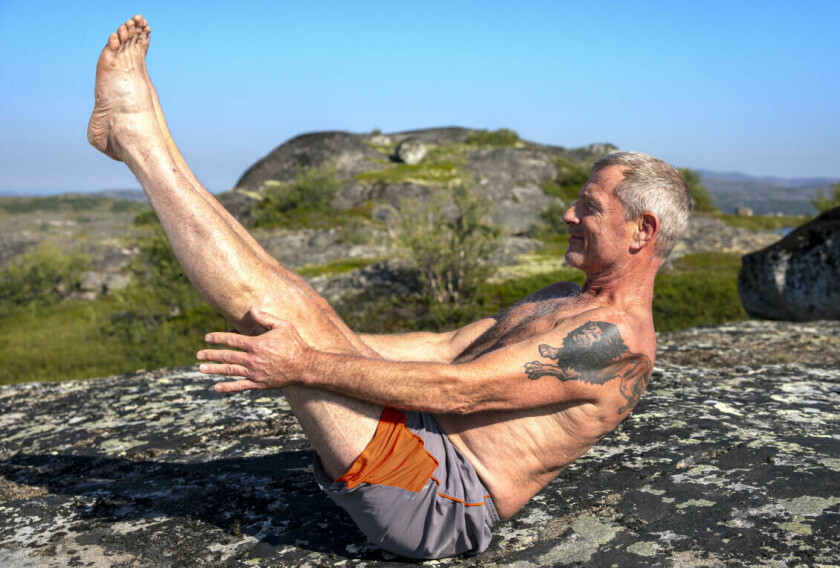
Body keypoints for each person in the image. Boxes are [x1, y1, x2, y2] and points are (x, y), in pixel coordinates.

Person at [88, 15, 691, 559]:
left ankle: (138, 135)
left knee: (286, 322)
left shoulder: (615, 342)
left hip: (441, 497)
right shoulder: (565, 296)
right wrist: (316, 342)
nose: (568, 214)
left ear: (642, 230)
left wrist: (303, 362)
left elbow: (459, 391)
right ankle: (139, 134)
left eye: (589, 207)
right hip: (423, 441)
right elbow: (446, 347)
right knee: (297, 307)